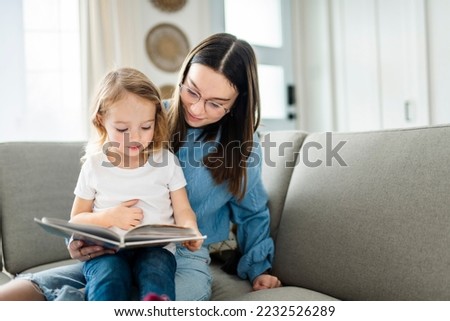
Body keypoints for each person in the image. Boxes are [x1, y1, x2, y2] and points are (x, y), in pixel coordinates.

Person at [0, 33, 282, 301]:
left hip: (179, 253)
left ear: (236, 104)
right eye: (192, 91)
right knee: (16, 293)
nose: (196, 109)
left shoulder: (244, 148)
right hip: (113, 248)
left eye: (215, 104)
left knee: (161, 299)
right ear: (182, 76)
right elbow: (93, 197)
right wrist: (79, 242)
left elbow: (252, 212)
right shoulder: (145, 118)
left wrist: (260, 268)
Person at [69, 67, 203, 301]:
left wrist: (190, 229)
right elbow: (76, 219)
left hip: (156, 250)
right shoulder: (94, 165)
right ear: (101, 121)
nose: (135, 137)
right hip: (106, 253)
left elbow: (182, 209)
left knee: (156, 268)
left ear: (156, 121)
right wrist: (108, 217)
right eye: (122, 129)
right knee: (109, 275)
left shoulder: (166, 161)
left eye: (145, 127)